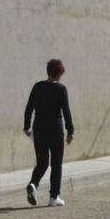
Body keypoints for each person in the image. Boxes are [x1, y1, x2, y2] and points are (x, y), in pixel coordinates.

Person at [23, 58, 73, 207]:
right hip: (56, 130)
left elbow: (29, 108)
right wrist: (70, 131)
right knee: (56, 163)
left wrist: (27, 126)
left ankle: (33, 184)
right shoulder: (61, 89)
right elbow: (66, 111)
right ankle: (54, 197)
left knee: (42, 162)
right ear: (58, 73)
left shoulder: (37, 87)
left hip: (39, 129)